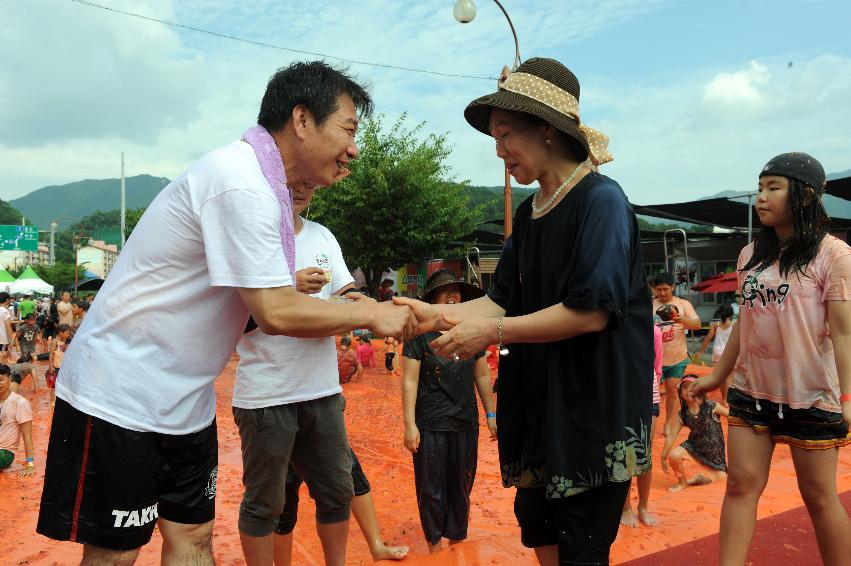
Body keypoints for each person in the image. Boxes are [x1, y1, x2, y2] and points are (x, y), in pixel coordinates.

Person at [36, 61, 416, 565]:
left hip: (187, 403)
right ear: (302, 120)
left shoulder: (270, 194)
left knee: (193, 541)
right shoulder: (241, 181)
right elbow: (276, 312)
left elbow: (260, 308)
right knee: (116, 555)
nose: (354, 148)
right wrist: (370, 315)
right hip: (122, 395)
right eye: (348, 128)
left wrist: (417, 315)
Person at [394, 58, 653, 565]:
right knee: (542, 537)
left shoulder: (600, 201)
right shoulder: (532, 218)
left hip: (590, 412)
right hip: (539, 407)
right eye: (495, 138)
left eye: (507, 134)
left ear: (549, 130)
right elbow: (501, 299)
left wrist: (490, 332)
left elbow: (591, 312)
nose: (500, 151)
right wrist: (429, 315)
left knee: (582, 548)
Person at [234, 181, 407, 565]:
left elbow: (345, 296)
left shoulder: (322, 236)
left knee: (337, 492)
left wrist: (361, 303)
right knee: (266, 503)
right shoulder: (252, 239)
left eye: (306, 185)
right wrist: (287, 286)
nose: (299, 191)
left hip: (322, 391)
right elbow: (232, 318)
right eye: (288, 184)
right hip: (267, 395)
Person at [692, 152, 851, 565]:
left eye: (772, 188)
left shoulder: (834, 256)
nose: (760, 198)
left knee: (818, 498)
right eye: (759, 188)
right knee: (741, 487)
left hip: (813, 396)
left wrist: (849, 397)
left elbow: (845, 333)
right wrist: (716, 375)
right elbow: (747, 322)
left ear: (805, 196)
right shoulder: (750, 256)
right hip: (752, 393)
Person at [402, 269, 497, 553]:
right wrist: (409, 424)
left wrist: (491, 414)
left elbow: (482, 375)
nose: (453, 296)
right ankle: (435, 544)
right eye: (446, 291)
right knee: (431, 487)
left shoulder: (471, 331)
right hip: (430, 422)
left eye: (456, 291)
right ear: (434, 298)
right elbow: (409, 380)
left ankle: (456, 539)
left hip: (466, 420)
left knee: (461, 485)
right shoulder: (419, 333)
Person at [622, 322, 663, 528]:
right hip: (621, 398)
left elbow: (657, 367)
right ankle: (626, 507)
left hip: (649, 397)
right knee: (627, 454)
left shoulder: (653, 330)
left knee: (644, 453)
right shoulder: (613, 327)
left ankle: (643, 506)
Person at [653, 272, 702, 433]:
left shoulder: (683, 304)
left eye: (665, 289)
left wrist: (683, 320)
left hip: (677, 357)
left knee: (673, 392)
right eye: (658, 289)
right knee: (649, 393)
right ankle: (649, 422)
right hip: (653, 359)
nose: (662, 292)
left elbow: (697, 324)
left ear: (672, 287)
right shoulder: (649, 305)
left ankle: (668, 424)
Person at [662, 375, 728, 492]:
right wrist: (663, 457)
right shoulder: (682, 413)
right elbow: (672, 435)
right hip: (694, 448)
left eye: (692, 387)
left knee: (721, 479)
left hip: (714, 455)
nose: (688, 390)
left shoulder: (711, 406)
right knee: (674, 455)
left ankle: (700, 478)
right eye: (685, 387)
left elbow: (731, 415)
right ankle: (683, 483)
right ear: (680, 392)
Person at [695, 303, 735, 405]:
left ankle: (724, 399)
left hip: (717, 352)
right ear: (731, 314)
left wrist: (701, 351)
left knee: (720, 377)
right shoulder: (734, 324)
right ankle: (727, 400)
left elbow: (708, 338)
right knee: (729, 377)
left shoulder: (715, 325)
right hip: (729, 352)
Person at [0, 365, 35, 477]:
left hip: (5, 453)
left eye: (1, 380)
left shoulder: (20, 403)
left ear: (9, 379)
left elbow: (27, 436)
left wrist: (30, 465)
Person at [46, 324, 70, 406]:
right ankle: (52, 401)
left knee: (62, 384)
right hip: (56, 367)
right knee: (54, 385)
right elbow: (50, 354)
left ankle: (60, 399)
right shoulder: (54, 342)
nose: (68, 334)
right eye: (67, 333)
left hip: (62, 367)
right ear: (60, 332)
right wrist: (50, 366)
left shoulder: (63, 342)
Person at [0, 292, 13, 359]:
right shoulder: (5, 311)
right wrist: (11, 340)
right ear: (7, 300)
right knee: (3, 358)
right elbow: (8, 327)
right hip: (2, 339)